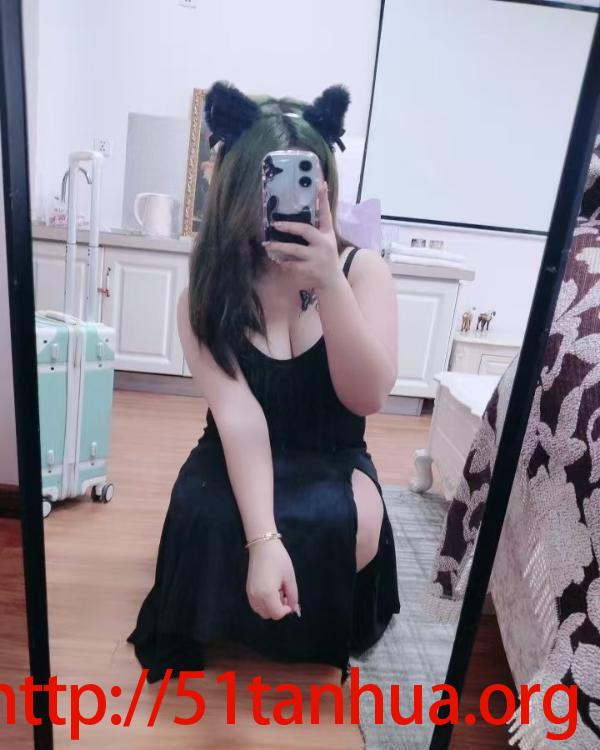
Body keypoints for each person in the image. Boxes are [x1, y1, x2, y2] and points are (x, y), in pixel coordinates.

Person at [127, 81, 401, 684]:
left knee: (346, 520)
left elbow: (366, 397)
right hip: (234, 450)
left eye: (304, 185)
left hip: (332, 452)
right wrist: (263, 539)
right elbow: (239, 419)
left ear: (323, 189)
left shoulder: (363, 272)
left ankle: (291, 615)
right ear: (236, 191)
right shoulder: (206, 294)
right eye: (268, 188)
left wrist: (329, 283)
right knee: (200, 512)